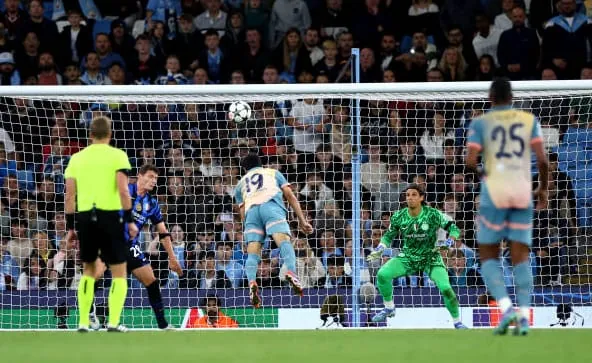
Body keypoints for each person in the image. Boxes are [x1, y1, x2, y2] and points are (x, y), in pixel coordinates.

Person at [465, 77, 549, 336]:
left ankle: (505, 307)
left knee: (489, 256)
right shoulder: (528, 120)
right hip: (522, 190)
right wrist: (543, 188)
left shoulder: (480, 122)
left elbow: (469, 160)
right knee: (521, 257)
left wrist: (483, 172)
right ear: (512, 97)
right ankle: (524, 316)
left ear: (490, 97)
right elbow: (543, 161)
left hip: (494, 192)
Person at [64, 116, 139, 332]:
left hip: (86, 217)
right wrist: (130, 221)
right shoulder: (118, 156)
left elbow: (70, 196)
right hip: (110, 217)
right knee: (119, 271)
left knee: (88, 270)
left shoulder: (76, 158)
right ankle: (113, 322)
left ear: (90, 135)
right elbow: (124, 190)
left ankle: (83, 322)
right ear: (110, 134)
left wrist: (70, 228)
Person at [93, 164, 183, 330]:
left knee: (151, 281)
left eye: (156, 178)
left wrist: (172, 258)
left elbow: (163, 232)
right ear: (139, 176)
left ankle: (163, 325)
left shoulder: (152, 203)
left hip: (130, 246)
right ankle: (91, 313)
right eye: (150, 176)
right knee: (96, 275)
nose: (153, 181)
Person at [367, 184, 468, 329]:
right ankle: (389, 307)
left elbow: (454, 229)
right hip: (408, 257)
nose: (410, 197)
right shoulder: (399, 216)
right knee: (382, 274)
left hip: (430, 257)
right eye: (408, 195)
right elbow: (388, 236)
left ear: (421, 198)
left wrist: (449, 240)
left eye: (414, 194)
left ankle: (457, 322)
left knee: (446, 288)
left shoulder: (432, 214)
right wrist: (380, 248)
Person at [234, 154, 313, 308]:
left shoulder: (240, 184)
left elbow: (242, 212)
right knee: (284, 243)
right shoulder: (273, 173)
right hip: (271, 207)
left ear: (245, 169)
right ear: (261, 164)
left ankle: (252, 283)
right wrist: (302, 221)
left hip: (252, 214)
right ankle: (291, 273)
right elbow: (290, 196)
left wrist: (247, 234)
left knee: (253, 254)